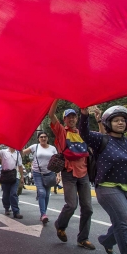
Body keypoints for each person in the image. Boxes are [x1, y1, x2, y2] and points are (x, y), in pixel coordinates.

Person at [48, 100, 95, 250]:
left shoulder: (83, 133)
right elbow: (50, 114)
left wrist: (96, 117)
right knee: (71, 205)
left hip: (84, 173)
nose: (72, 119)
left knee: (87, 208)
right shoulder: (62, 131)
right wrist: (56, 97)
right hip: (68, 172)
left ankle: (83, 238)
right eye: (69, 117)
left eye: (74, 117)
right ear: (65, 120)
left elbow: (101, 136)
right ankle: (60, 225)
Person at [80, 105, 127, 254]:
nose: (121, 123)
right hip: (108, 188)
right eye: (116, 120)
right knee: (124, 222)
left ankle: (107, 240)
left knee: (121, 221)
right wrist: (84, 115)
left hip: (125, 187)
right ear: (108, 123)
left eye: (123, 120)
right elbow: (84, 134)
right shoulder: (101, 139)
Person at [23, 131, 58, 223]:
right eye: (41, 137)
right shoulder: (35, 147)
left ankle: (44, 213)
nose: (43, 138)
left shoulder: (53, 149)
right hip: (37, 173)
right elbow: (22, 153)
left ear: (47, 138)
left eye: (45, 137)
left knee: (46, 195)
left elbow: (57, 161)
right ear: (38, 139)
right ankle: (43, 214)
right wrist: (19, 145)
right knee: (42, 193)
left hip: (49, 174)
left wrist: (58, 174)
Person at [0, 146, 24, 219]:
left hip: (14, 176)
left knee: (13, 194)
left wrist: (22, 177)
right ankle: (6, 208)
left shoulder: (17, 154)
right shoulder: (3, 152)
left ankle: (16, 212)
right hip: (5, 176)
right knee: (6, 194)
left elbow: (20, 166)